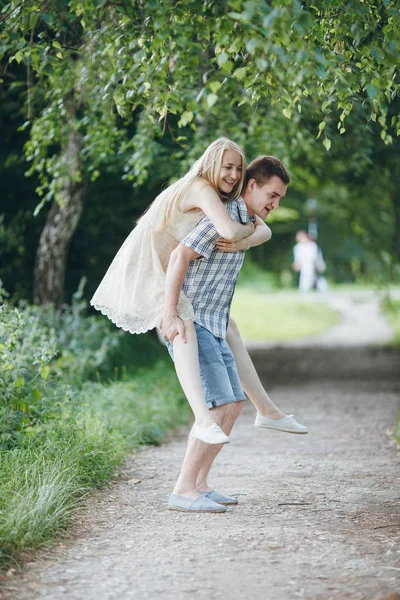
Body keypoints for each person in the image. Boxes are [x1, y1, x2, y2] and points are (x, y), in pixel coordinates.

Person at [91, 138, 305, 448]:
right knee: (182, 323)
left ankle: (266, 410)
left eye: (238, 169)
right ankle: (203, 419)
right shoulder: (202, 190)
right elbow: (230, 231)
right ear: (211, 164)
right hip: (150, 267)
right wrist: (244, 235)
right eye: (227, 167)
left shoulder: (220, 198)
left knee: (228, 325)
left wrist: (246, 235)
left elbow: (262, 229)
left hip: (166, 264)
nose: (233, 174)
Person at [161, 156, 307, 513]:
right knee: (222, 403)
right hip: (191, 322)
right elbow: (179, 257)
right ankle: (183, 490)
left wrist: (247, 240)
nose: (275, 203)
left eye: (281, 199)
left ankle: (199, 485)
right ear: (252, 186)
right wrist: (169, 315)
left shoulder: (248, 222)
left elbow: (263, 231)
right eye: (272, 194)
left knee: (235, 403)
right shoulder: (221, 219)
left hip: (216, 323)